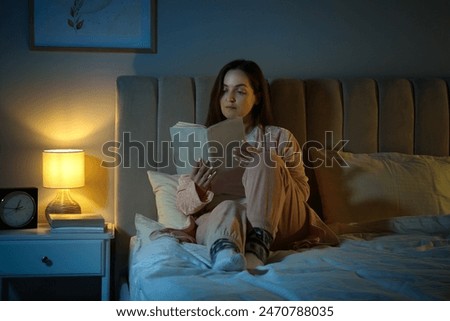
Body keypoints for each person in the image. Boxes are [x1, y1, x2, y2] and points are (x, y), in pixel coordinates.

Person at [170, 59, 338, 271]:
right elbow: (184, 205)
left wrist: (263, 164)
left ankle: (258, 246)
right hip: (223, 222)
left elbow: (302, 194)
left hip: (279, 223)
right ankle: (225, 253)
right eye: (224, 90)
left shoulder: (279, 137)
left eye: (240, 91)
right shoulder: (201, 141)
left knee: (265, 159)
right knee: (227, 207)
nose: (229, 98)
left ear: (257, 97)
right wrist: (199, 188)